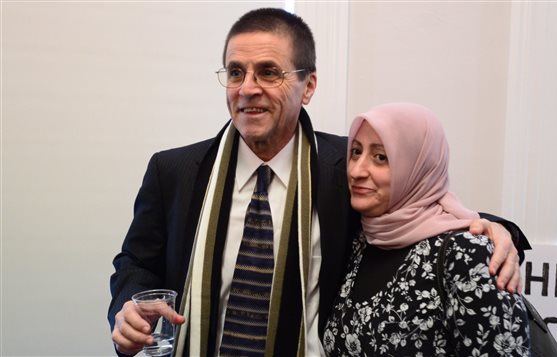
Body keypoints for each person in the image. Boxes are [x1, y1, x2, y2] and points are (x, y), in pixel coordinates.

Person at [108, 8, 530, 357]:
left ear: (308, 85)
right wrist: (127, 306)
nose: (247, 89)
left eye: (268, 72)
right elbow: (135, 262)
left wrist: (493, 232)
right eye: (236, 72)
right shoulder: (175, 170)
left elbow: (420, 204)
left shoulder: (346, 167)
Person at [322, 102, 531, 356]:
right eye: (355, 152)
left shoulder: (467, 255)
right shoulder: (360, 241)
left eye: (380, 157)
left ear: (417, 166)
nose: (356, 171)